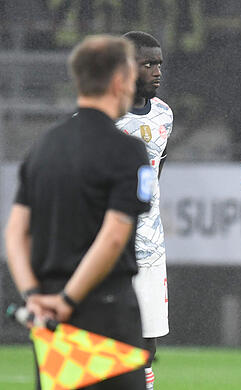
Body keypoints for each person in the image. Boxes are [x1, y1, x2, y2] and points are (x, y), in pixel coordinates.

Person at [4, 35, 153, 389]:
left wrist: (33, 296)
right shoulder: (127, 150)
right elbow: (115, 234)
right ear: (119, 81)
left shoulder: (43, 146)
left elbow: (13, 234)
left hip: (47, 315)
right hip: (104, 310)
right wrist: (69, 299)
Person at [116, 31, 173, 390]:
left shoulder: (164, 115)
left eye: (159, 64)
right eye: (147, 64)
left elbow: (154, 175)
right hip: (107, 247)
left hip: (150, 247)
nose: (156, 71)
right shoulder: (100, 114)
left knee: (147, 345)